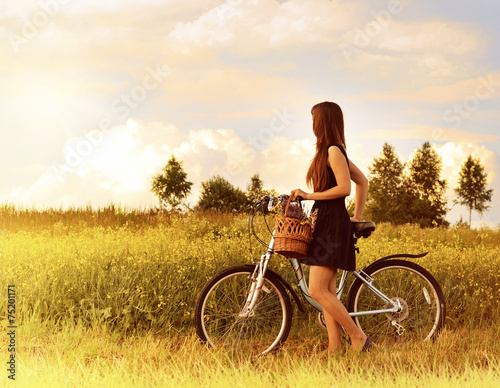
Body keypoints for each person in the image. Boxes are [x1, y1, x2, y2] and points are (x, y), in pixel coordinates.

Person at [290, 101, 371, 353]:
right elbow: (363, 181)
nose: (312, 123)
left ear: (322, 121)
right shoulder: (330, 151)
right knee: (327, 291)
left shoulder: (334, 150)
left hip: (332, 223)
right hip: (326, 220)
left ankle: (357, 336)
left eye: (314, 118)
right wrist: (356, 216)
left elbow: (346, 188)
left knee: (316, 289)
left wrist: (309, 195)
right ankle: (334, 347)